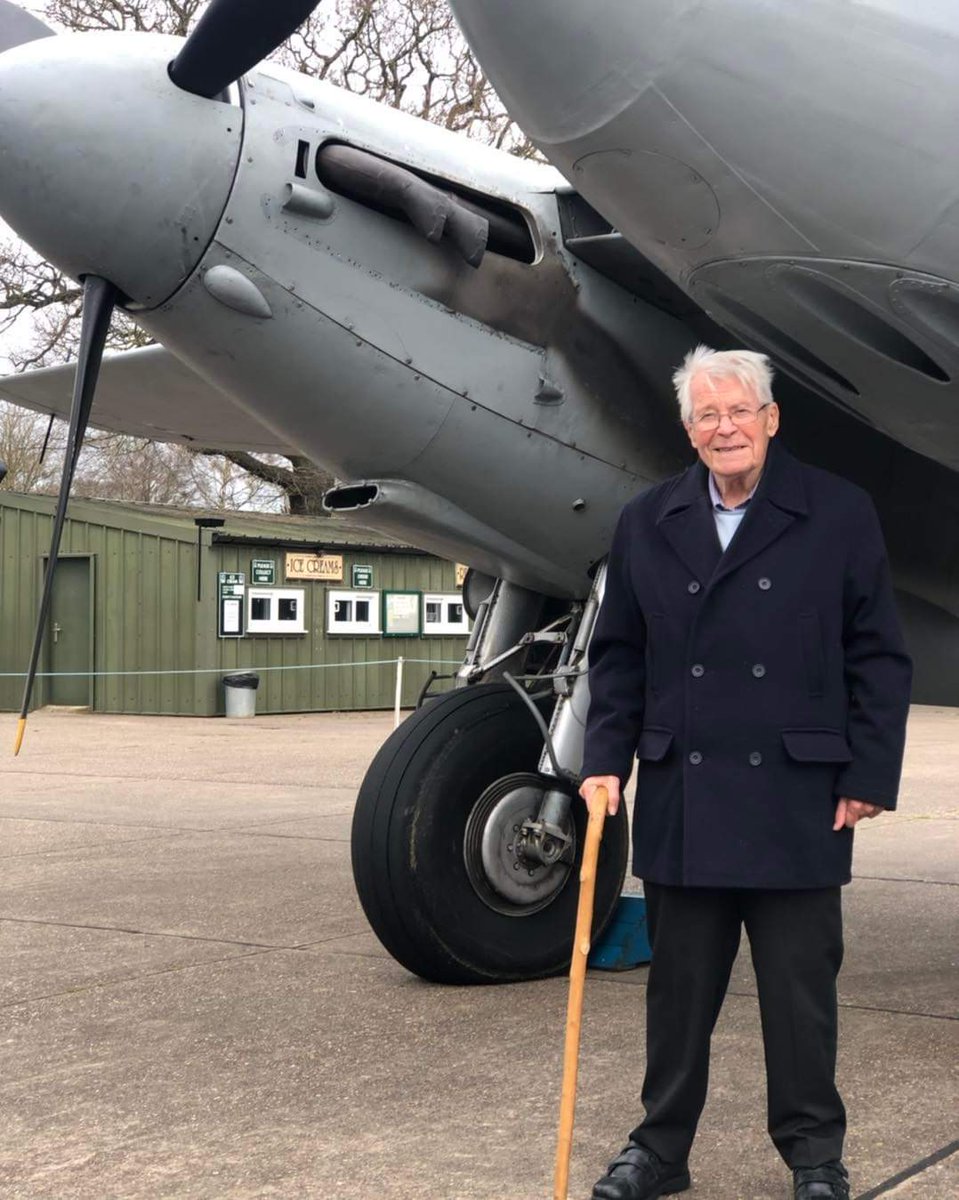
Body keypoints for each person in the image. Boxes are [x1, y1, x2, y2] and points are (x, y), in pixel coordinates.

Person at [579, 346, 912, 1200]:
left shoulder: (837, 513)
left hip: (799, 796)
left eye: (738, 412)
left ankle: (813, 1158)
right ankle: (658, 1151)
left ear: (769, 420)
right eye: (705, 416)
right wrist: (602, 764)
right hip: (684, 798)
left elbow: (877, 654)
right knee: (678, 997)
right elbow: (618, 657)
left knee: (800, 1000)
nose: (723, 428)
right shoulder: (646, 520)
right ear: (687, 432)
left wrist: (867, 771)